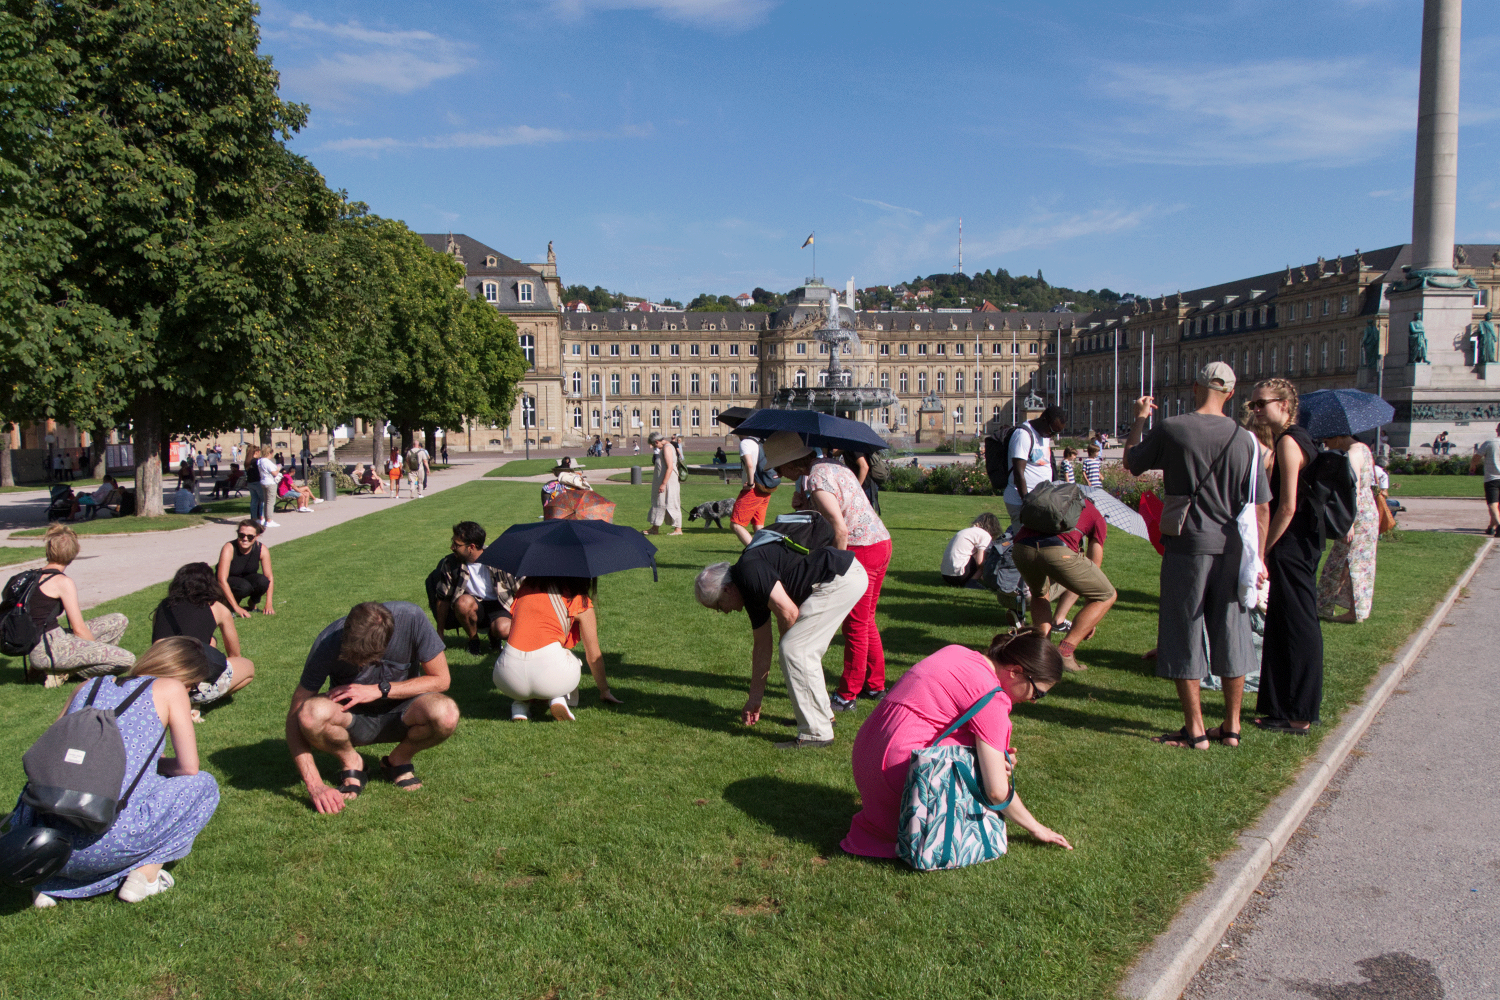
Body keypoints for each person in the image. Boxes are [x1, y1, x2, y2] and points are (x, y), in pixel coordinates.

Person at [1126, 362, 1269, 750]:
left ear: (1195, 387)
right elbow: (1260, 507)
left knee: (1182, 631)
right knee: (1233, 632)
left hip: (1187, 543)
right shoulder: (1247, 440)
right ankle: (1233, 727)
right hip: (1234, 548)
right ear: (1232, 394)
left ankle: (1195, 729)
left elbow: (1133, 463)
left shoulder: (1174, 429)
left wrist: (1139, 420)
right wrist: (1259, 559)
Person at [17, 638, 221, 908]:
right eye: (193, 686)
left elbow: (51, 755)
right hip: (104, 845)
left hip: (39, 845)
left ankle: (47, 883)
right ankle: (144, 878)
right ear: (185, 675)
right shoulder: (170, 689)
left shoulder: (87, 686)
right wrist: (152, 765)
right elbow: (188, 767)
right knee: (204, 785)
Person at [841, 630, 1072, 858]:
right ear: (1015, 671)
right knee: (987, 772)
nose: (1033, 701)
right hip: (897, 775)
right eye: (1037, 693)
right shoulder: (993, 697)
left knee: (985, 759)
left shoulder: (957, 652)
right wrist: (1036, 828)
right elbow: (997, 791)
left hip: (867, 754)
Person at [695, 517, 870, 749]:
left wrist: (790, 651)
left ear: (727, 589)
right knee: (801, 651)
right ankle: (823, 716)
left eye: (718, 606)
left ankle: (816, 733)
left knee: (795, 650)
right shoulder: (747, 587)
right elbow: (761, 646)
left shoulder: (748, 571)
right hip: (843, 576)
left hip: (840, 579)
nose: (722, 612)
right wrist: (755, 699)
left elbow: (789, 613)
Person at [288, 601, 459, 814]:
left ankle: (399, 760)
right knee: (309, 714)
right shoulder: (328, 641)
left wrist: (380, 689)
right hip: (352, 717)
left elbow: (442, 680)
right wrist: (315, 785)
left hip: (404, 712)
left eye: (365, 660)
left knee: (447, 713)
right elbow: (294, 714)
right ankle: (352, 762)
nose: (360, 665)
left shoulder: (412, 618)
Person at [779, 431, 893, 710]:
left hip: (860, 547)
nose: (779, 474)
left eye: (779, 467)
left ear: (793, 464)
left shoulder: (816, 477)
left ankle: (848, 694)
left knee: (854, 624)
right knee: (866, 620)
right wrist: (806, 504)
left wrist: (836, 571)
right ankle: (875, 684)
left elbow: (839, 528)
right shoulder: (833, 464)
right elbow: (837, 506)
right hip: (880, 542)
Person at [1251, 378, 1325, 736]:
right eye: (1253, 405)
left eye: (1260, 404)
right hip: (1299, 544)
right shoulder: (1295, 438)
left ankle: (1299, 712)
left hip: (1292, 545)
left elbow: (1288, 505)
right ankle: (1281, 707)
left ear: (1283, 404)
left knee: (1297, 626)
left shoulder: (1289, 441)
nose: (1256, 410)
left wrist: (1264, 551)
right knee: (1282, 625)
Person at [1011, 492, 1115, 672]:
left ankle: (1042, 654)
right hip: (1058, 551)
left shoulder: (1048, 507)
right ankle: (1065, 652)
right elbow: (1094, 568)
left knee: (1040, 594)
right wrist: (1090, 619)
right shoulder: (1096, 515)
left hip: (1021, 549)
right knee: (1106, 595)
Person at [492, 577, 621, 721]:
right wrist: (604, 690)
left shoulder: (525, 588)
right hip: (550, 676)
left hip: (505, 676)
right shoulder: (578, 598)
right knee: (569, 657)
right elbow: (593, 656)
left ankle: (519, 706)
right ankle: (558, 698)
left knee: (529, 657)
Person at [22, 524, 136, 686]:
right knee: (127, 659)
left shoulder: (30, 577)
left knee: (119, 620)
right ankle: (64, 670)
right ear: (74, 553)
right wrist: (99, 652)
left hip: (40, 643)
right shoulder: (62, 582)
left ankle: (52, 669)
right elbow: (79, 629)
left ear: (48, 550)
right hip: (51, 648)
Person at [151, 563, 255, 707]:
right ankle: (194, 702)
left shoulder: (162, 607)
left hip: (157, 683)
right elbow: (234, 654)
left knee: (211, 641)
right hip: (188, 685)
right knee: (248, 667)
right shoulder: (216, 608)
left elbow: (157, 644)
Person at [1317, 433, 1379, 623]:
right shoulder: (1364, 448)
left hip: (1358, 514)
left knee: (1345, 562)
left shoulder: (1352, 455)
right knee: (1358, 562)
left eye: (1327, 441)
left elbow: (1354, 491)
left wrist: (1348, 524)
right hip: (1369, 512)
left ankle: (1340, 609)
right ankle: (1351, 609)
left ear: (1339, 436)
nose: (1326, 445)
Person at [432, 521, 519, 654]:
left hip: (499, 606)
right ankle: (473, 640)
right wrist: (440, 633)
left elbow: (520, 590)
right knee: (463, 602)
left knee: (504, 629)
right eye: (452, 541)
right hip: (474, 606)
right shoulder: (450, 564)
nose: (452, 547)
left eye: (456, 544)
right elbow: (443, 599)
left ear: (471, 547)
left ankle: (494, 637)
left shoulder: (499, 559)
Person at [1003, 406, 1067, 525]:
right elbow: (1018, 473)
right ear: (1043, 420)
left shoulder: (1044, 433)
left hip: (1040, 500)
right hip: (1021, 501)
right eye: (1052, 431)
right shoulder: (1023, 435)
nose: (1052, 435)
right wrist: (1027, 503)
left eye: (1056, 433)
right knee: (1025, 541)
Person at [216, 519, 275, 616]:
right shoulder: (229, 548)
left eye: (250, 536)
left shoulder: (261, 549)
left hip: (245, 581)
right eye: (241, 535)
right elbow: (221, 580)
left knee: (263, 581)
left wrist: (268, 604)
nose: (245, 539)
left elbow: (269, 577)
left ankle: (252, 603)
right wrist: (237, 608)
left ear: (257, 536)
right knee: (244, 587)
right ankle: (228, 606)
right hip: (228, 583)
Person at [730, 432, 778, 546]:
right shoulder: (761, 442)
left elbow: (750, 464)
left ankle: (755, 551)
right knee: (758, 524)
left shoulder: (745, 443)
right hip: (765, 487)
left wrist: (750, 484)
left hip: (754, 489)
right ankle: (764, 552)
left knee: (736, 524)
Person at [941, 512, 1002, 588]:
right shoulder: (985, 535)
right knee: (987, 560)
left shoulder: (966, 531)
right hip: (960, 576)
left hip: (946, 576)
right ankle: (973, 581)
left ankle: (975, 578)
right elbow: (980, 562)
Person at [645, 431, 682, 535]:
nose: (654, 447)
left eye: (653, 445)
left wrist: (663, 484)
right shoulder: (666, 447)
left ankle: (678, 529)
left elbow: (670, 467)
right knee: (659, 502)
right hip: (666, 480)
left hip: (669, 482)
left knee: (671, 503)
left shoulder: (666, 448)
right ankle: (654, 528)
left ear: (657, 442)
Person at [1469, 422, 1500, 536]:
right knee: (1497, 506)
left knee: (1493, 504)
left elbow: (1477, 457)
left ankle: (1498, 526)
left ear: (1497, 430)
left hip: (1492, 478)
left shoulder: (1490, 442)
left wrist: (1472, 466)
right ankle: (1491, 527)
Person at [251, 445, 281, 529]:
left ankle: (265, 519)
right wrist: (278, 469)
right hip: (270, 482)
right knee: (270, 502)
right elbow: (274, 473)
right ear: (269, 453)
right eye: (271, 453)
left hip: (263, 481)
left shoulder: (260, 461)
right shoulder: (267, 461)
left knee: (266, 501)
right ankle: (269, 520)